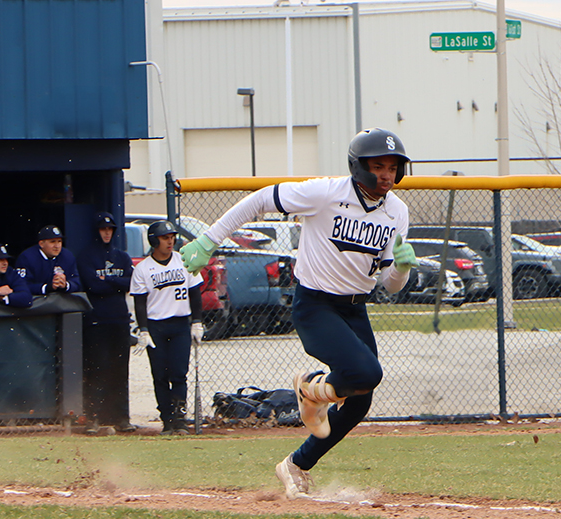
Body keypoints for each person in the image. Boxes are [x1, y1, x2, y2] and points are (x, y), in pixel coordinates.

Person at [179, 128, 419, 498]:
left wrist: (401, 268)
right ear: (358, 166)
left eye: (393, 167)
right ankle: (309, 389)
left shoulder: (396, 211)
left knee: (361, 398)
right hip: (316, 305)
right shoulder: (325, 193)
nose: (386, 175)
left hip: (355, 308)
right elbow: (260, 199)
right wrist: (210, 240)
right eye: (378, 166)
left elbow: (389, 284)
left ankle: (296, 466)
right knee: (366, 372)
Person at [130, 220, 204, 436]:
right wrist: (143, 330)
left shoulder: (183, 261)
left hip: (180, 324)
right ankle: (167, 420)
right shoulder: (143, 268)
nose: (170, 241)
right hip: (156, 327)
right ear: (154, 241)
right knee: (160, 375)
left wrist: (197, 322)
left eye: (171, 237)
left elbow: (195, 293)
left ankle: (180, 420)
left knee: (179, 373)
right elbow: (140, 302)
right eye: (164, 238)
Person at [77, 212, 135, 433]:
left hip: (119, 320)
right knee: (97, 370)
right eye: (103, 229)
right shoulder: (86, 256)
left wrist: (108, 280)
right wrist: (115, 283)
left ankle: (121, 417)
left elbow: (130, 283)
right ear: (97, 231)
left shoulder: (122, 256)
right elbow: (93, 286)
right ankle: (94, 418)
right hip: (96, 321)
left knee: (120, 370)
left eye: (110, 229)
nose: (107, 233)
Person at [15, 225, 80, 296]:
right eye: (52, 242)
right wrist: (47, 287)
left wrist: (65, 285)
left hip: (61, 302)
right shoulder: (27, 257)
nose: (57, 246)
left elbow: (77, 282)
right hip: (36, 303)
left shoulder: (67, 256)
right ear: (41, 244)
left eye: (59, 241)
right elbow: (21, 286)